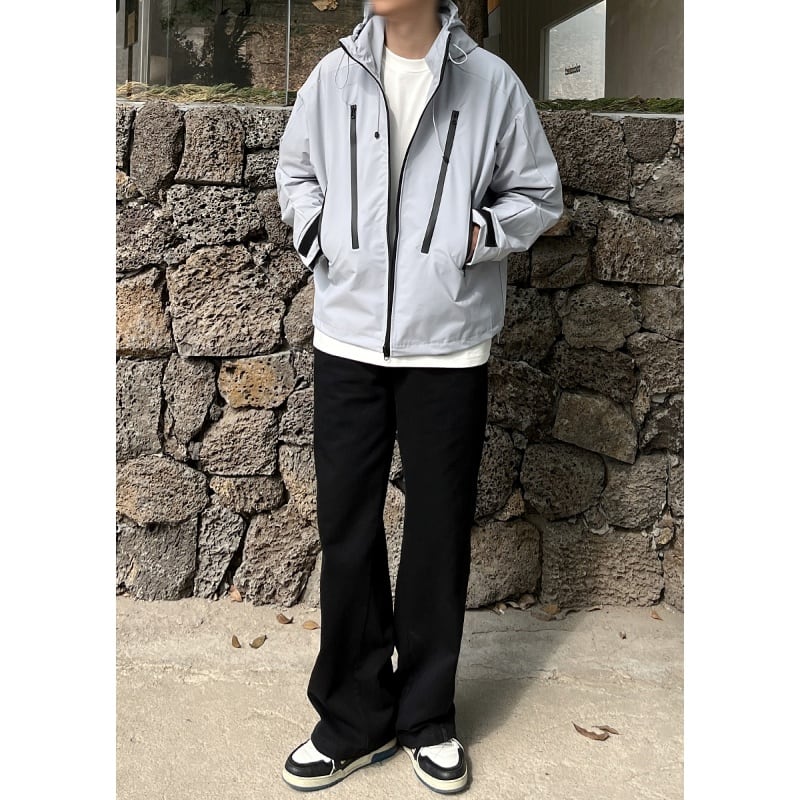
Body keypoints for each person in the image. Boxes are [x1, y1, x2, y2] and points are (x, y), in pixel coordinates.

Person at [275, 0, 563, 792]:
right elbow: (295, 172)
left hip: (449, 343)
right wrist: (321, 238)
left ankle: (427, 716)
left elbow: (538, 192)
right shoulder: (333, 77)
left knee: (437, 532)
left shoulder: (490, 84)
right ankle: (352, 718)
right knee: (347, 528)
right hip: (349, 339)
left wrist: (475, 238)